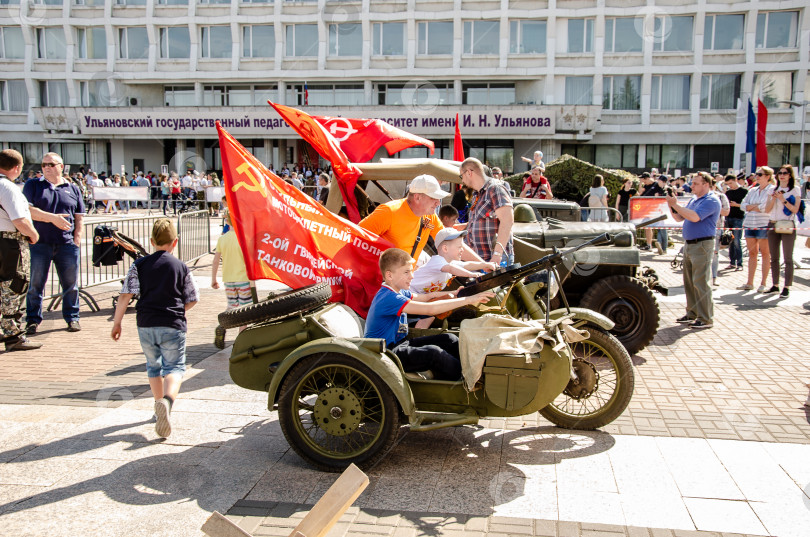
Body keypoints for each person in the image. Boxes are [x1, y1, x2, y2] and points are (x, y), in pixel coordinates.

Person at [111, 219, 199, 438]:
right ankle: (167, 403)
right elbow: (193, 297)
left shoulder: (139, 265)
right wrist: (181, 310)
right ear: (175, 242)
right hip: (172, 322)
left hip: (146, 322)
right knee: (175, 367)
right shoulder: (181, 266)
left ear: (151, 241)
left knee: (153, 366)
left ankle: (158, 404)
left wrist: (117, 322)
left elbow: (125, 295)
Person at [364, 247, 493, 381]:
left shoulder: (398, 291)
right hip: (385, 353)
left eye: (412, 271)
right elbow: (429, 309)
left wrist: (455, 294)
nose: (412, 276)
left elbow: (426, 297)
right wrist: (469, 300)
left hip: (399, 344)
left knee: (449, 339)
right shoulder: (388, 298)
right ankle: (467, 379)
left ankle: (472, 369)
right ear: (390, 275)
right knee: (434, 353)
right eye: (406, 272)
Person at [23, 152, 85, 334]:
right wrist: (52, 219)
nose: (46, 168)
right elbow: (28, 211)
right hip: (39, 244)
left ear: (61, 166)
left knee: (70, 284)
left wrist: (77, 239)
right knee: (36, 284)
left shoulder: (72, 188)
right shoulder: (33, 185)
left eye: (50, 164)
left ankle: (72, 318)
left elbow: (79, 217)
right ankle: (33, 320)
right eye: (43, 165)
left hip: (67, 245)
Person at [361, 174, 480, 262]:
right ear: (417, 197)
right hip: (382, 284)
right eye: (434, 198)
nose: (438, 203)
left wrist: (483, 264)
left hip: (404, 282)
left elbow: (451, 241)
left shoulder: (430, 216)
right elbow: (352, 237)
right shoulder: (388, 212)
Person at [667, 172, 721, 329]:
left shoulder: (711, 200)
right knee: (690, 282)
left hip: (702, 244)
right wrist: (672, 205)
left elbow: (695, 217)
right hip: (690, 244)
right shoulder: (694, 199)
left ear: (706, 184)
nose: (692, 186)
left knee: (701, 282)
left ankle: (705, 318)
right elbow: (679, 218)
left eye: (696, 183)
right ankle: (692, 313)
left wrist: (675, 204)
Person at [0, 150, 41, 351]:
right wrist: (33, 235)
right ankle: (13, 335)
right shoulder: (7, 187)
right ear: (16, 167)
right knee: (13, 286)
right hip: (9, 242)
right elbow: (19, 219)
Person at [460, 157, 514, 266]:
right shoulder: (477, 194)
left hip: (494, 259)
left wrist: (497, 254)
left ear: (469, 172)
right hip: (481, 260)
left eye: (461, 176)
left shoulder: (495, 189)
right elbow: (481, 221)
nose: (462, 180)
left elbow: (507, 221)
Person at [411, 228, 496, 294]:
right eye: (459, 247)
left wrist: (485, 265)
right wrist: (472, 274)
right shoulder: (437, 261)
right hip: (409, 291)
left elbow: (467, 264)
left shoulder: (450, 262)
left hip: (419, 295)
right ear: (445, 248)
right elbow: (451, 269)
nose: (462, 250)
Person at [211, 213, 251, 347]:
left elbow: (216, 260)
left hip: (228, 279)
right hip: (243, 278)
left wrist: (213, 278)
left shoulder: (223, 239)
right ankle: (241, 341)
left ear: (227, 221)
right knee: (244, 310)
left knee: (232, 306)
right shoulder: (244, 238)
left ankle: (222, 325)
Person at [763, 164, 802, 297]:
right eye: (780, 173)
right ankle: (775, 285)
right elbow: (767, 210)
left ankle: (786, 286)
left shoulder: (795, 190)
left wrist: (782, 200)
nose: (782, 175)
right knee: (773, 257)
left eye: (785, 173)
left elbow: (795, 209)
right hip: (773, 223)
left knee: (788, 257)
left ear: (790, 175)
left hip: (787, 224)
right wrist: (774, 198)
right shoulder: (773, 189)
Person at [737, 167, 775, 292]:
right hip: (750, 223)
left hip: (763, 223)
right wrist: (754, 207)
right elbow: (743, 205)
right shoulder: (753, 189)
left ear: (767, 176)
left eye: (760, 174)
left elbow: (765, 208)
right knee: (752, 253)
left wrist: (750, 207)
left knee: (765, 253)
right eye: (757, 174)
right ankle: (750, 282)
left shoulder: (771, 189)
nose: (757, 176)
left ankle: (763, 283)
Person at [723, 174, 747, 270]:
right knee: (730, 241)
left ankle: (740, 263)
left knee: (737, 241)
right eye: (728, 184)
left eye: (731, 183)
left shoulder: (744, 191)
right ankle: (732, 262)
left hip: (738, 218)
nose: (730, 186)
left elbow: (746, 205)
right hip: (729, 217)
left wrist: (737, 205)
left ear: (736, 180)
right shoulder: (728, 192)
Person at [710, 179, 730, 286]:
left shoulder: (721, 197)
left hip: (716, 228)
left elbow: (726, 211)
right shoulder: (698, 196)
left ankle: (713, 278)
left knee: (715, 254)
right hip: (702, 230)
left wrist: (714, 206)